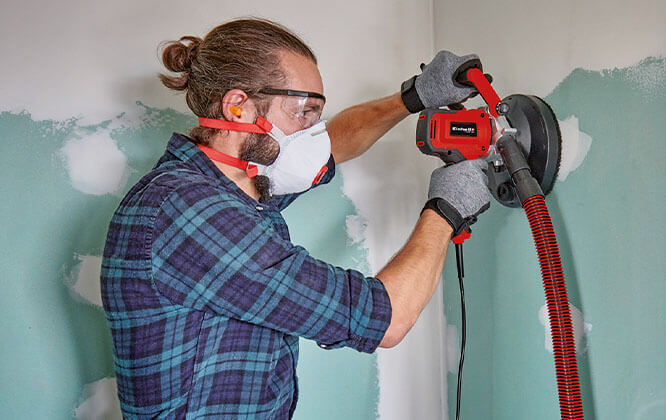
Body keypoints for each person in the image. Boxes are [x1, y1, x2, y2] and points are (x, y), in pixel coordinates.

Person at [101, 17, 490, 419]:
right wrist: (447, 208)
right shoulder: (191, 210)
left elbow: (336, 143)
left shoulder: (234, 186)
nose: (313, 132)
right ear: (237, 107)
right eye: (304, 111)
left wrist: (414, 96)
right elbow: (385, 317)